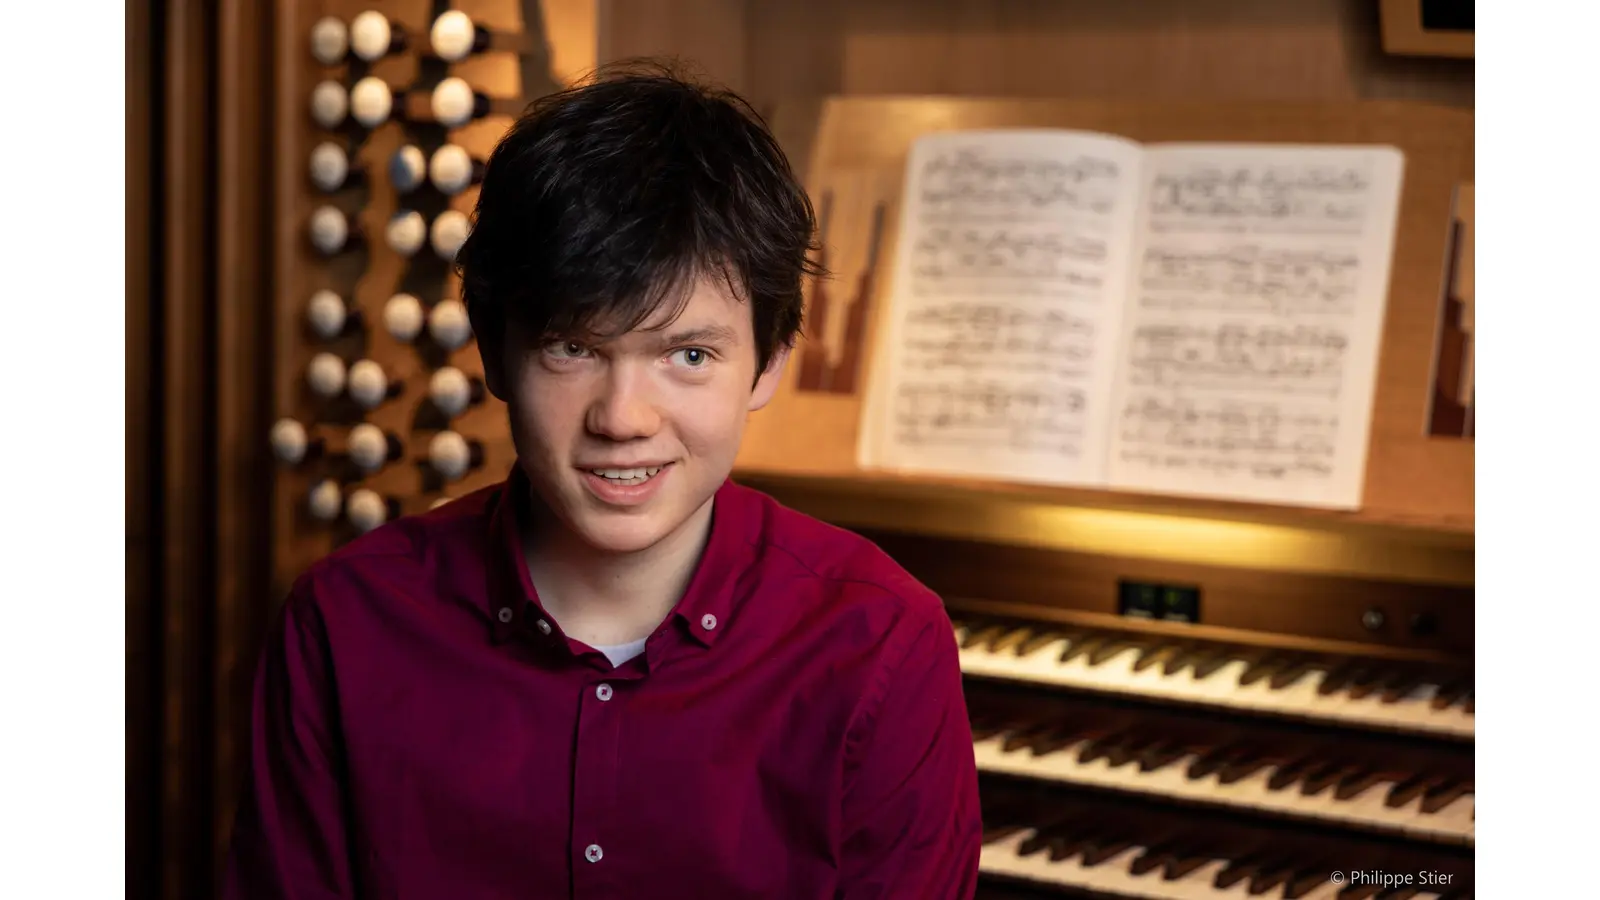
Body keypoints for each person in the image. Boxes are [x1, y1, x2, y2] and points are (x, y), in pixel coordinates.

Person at [224, 61, 982, 899]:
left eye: (688, 356)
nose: (624, 417)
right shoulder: (344, 623)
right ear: (494, 349)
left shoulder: (884, 642)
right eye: (574, 348)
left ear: (768, 364)